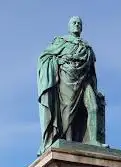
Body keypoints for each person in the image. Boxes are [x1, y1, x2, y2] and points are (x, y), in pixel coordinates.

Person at [37, 16, 106, 156]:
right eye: (74, 23)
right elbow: (44, 57)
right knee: (68, 110)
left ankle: (94, 140)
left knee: (93, 106)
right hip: (67, 78)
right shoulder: (62, 42)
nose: (77, 25)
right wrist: (56, 64)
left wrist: (95, 88)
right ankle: (66, 140)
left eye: (79, 23)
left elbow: (92, 71)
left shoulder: (87, 47)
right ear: (69, 27)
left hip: (84, 81)